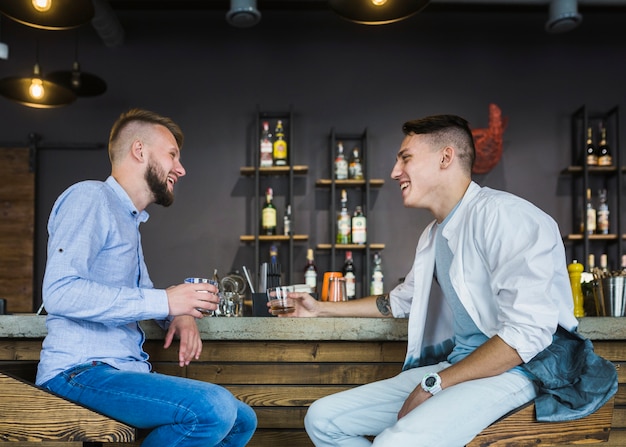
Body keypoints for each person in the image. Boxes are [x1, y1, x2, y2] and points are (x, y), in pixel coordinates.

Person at [281, 114, 617, 446]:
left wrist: (434, 383)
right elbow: (400, 301)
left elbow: (525, 337)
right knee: (323, 419)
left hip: (524, 371)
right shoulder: (433, 235)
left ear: (445, 157)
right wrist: (319, 309)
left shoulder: (505, 216)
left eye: (406, 158)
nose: (395, 172)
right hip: (459, 368)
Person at [36, 108, 257, 447]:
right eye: (172, 155)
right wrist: (168, 300)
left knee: (243, 420)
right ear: (139, 151)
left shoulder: (129, 221)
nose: (180, 169)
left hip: (118, 372)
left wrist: (177, 315)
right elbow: (60, 292)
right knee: (213, 408)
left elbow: (142, 295)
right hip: (78, 371)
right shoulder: (91, 197)